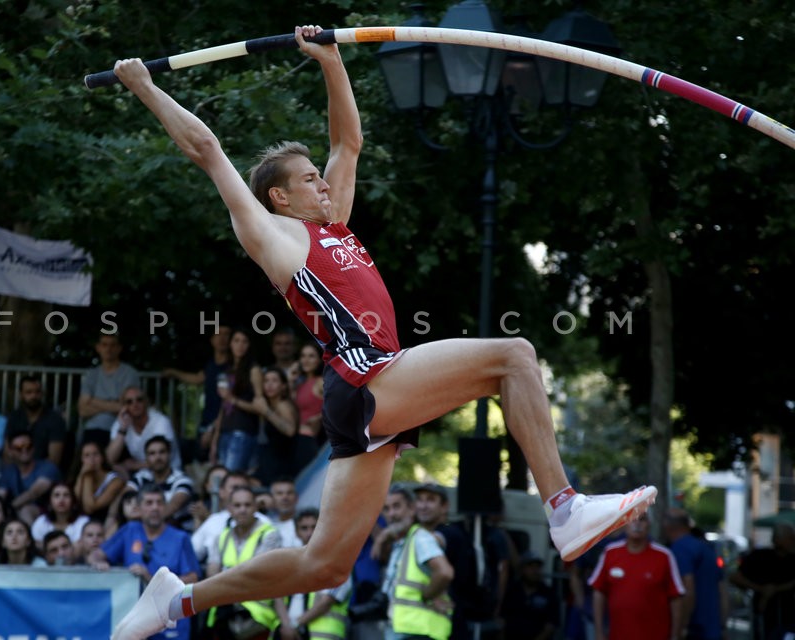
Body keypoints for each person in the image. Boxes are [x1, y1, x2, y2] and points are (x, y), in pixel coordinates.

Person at [107, 25, 656, 640]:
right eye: (309, 177)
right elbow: (207, 149)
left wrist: (330, 61)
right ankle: (563, 509)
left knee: (324, 565)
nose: (323, 180)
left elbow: (350, 139)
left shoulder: (333, 225)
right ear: (280, 197)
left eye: (320, 175)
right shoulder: (275, 236)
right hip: (366, 377)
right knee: (515, 357)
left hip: (365, 396)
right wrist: (145, 87)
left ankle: (176, 600)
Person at [89, 486, 200, 640]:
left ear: (165, 507)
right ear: (139, 508)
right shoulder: (129, 530)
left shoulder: (180, 538)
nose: (155, 507)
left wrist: (151, 578)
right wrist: (99, 563)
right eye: (149, 503)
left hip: (171, 619)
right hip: (133, 616)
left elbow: (193, 579)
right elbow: (95, 555)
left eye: (159, 503)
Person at [204, 484, 283, 640]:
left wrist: (224, 577)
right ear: (229, 508)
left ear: (255, 507)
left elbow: (257, 573)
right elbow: (211, 573)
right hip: (224, 616)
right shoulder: (222, 537)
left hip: (257, 620)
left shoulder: (269, 534)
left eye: (247, 505)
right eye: (237, 505)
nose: (242, 509)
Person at [589, 512, 684, 640]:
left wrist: (675, 635)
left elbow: (676, 597)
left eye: (642, 520)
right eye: (632, 520)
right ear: (624, 524)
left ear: (649, 524)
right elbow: (598, 591)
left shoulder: (664, 556)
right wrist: (599, 632)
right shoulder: (610, 553)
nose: (637, 524)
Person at [375, 485, 454, 640]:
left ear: (412, 509)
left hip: (419, 631)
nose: (392, 514)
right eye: (386, 509)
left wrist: (427, 596)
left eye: (397, 506)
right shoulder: (404, 542)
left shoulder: (420, 537)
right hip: (405, 629)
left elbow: (445, 572)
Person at [413, 483, 484, 640]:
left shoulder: (450, 533)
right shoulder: (421, 534)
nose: (423, 506)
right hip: (432, 624)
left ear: (444, 506)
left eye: (430, 500)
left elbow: (432, 543)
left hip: (451, 622)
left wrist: (425, 597)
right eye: (419, 500)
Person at [276, 507, 352, 640]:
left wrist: (294, 625)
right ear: (296, 532)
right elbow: (277, 596)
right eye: (304, 528)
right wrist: (287, 626)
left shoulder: (337, 561)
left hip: (321, 635)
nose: (310, 533)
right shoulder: (289, 561)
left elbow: (326, 602)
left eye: (314, 527)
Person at [163, 324, 232, 464]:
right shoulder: (211, 365)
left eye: (227, 334)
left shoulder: (233, 367)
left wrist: (213, 428)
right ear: (212, 340)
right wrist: (173, 373)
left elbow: (229, 401)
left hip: (224, 424)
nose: (223, 338)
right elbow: (197, 378)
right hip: (207, 421)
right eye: (219, 334)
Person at [661, 508, 728, 640]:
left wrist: (682, 627)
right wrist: (723, 626)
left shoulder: (679, 549)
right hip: (713, 629)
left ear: (667, 526)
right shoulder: (706, 549)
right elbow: (723, 590)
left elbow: (687, 589)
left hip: (694, 630)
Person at [729, 521, 795, 640]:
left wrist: (773, 590)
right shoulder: (760, 556)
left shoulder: (792, 559)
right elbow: (735, 577)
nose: (793, 541)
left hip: (788, 616)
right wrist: (760, 589)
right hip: (766, 616)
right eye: (790, 538)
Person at [210, 327, 264, 473]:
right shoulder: (228, 370)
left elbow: (260, 407)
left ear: (249, 345)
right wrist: (215, 438)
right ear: (230, 344)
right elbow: (223, 405)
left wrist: (232, 399)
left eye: (244, 341)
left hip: (243, 431)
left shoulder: (254, 370)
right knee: (222, 478)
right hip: (225, 431)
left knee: (232, 479)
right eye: (236, 341)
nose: (240, 345)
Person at [78, 332, 142, 451]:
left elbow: (127, 407)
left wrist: (92, 401)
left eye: (113, 345)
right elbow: (82, 411)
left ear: (119, 349)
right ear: (98, 348)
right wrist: (113, 404)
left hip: (121, 428)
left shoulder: (129, 373)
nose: (108, 349)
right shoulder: (92, 375)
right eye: (104, 345)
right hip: (93, 430)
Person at [126, 435, 196, 532]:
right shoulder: (141, 477)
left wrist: (139, 515)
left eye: (162, 452)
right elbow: (126, 499)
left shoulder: (182, 480)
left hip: (179, 532)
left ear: (169, 455)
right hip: (145, 529)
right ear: (146, 459)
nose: (158, 457)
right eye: (152, 453)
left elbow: (172, 507)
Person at [107, 386, 181, 476]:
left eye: (139, 400)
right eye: (129, 402)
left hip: (168, 473)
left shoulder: (161, 422)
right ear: (123, 407)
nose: (135, 404)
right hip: (143, 474)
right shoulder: (122, 422)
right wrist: (123, 429)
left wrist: (134, 465)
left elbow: (162, 459)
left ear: (146, 402)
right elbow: (110, 458)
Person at [0, 429, 61, 525]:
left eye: (28, 446)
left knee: (25, 511)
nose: (24, 450)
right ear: (10, 451)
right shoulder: (8, 471)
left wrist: (9, 508)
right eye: (19, 448)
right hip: (17, 512)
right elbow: (0, 496)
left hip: (50, 513)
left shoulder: (48, 467)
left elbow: (34, 492)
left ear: (34, 448)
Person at [4, 375, 68, 468]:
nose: (33, 396)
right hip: (16, 471)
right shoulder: (14, 417)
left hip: (44, 473)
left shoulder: (55, 419)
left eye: (37, 392)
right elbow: (7, 454)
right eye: (28, 392)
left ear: (42, 394)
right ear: (21, 395)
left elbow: (54, 459)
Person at [253, 368, 299, 487]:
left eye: (274, 381)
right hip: (271, 461)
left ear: (283, 386)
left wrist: (266, 411)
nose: (269, 385)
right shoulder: (270, 405)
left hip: (282, 464)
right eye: (266, 381)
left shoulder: (283, 405)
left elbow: (290, 431)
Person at [499, 550, 559, 640]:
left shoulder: (549, 594)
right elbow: (501, 620)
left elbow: (550, 626)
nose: (535, 570)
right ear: (522, 569)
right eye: (530, 566)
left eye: (537, 567)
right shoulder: (511, 592)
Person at [73, 439, 126, 522]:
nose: (92, 459)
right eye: (87, 456)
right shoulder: (78, 476)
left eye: (95, 454)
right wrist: (81, 476)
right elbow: (74, 501)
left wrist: (87, 476)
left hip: (102, 521)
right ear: (81, 460)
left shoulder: (116, 480)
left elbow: (90, 508)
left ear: (102, 457)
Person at [292, 341, 325, 471]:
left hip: (313, 439)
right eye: (303, 356)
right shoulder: (300, 383)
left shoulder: (320, 381)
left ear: (319, 359)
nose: (306, 360)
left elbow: (338, 405)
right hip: (298, 440)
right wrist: (290, 379)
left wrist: (319, 417)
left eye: (311, 356)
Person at [31, 481, 90, 550]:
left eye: (66, 495)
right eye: (56, 495)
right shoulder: (41, 521)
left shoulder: (83, 522)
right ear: (49, 501)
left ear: (73, 501)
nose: (61, 499)